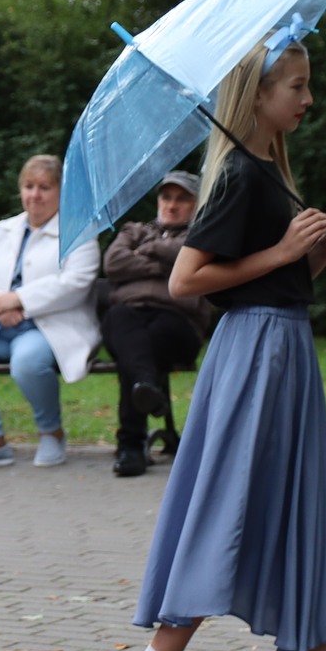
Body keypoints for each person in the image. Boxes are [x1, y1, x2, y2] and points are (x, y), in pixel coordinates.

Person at [119, 33, 326, 651]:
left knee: (298, 507)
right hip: (254, 355)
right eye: (296, 86)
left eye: (306, 84)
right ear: (258, 94)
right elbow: (187, 280)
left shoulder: (270, 172)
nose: (309, 99)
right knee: (230, 507)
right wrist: (283, 250)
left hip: (283, 347)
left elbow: (283, 279)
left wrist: (322, 250)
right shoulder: (240, 176)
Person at [0, 155, 98, 469]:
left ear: (61, 192)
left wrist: (17, 299)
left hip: (47, 326)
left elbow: (76, 282)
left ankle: (51, 432)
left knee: (27, 363)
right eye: (28, 186)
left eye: (44, 187)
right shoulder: (5, 228)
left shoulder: (79, 230)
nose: (34, 194)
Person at [100, 171, 209, 478]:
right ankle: (146, 388)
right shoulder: (135, 229)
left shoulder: (202, 236)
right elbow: (114, 262)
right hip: (128, 317)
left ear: (196, 204)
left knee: (140, 348)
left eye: (182, 199)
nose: (172, 205)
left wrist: (147, 250)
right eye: (167, 197)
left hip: (177, 323)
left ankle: (130, 447)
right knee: (123, 323)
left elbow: (184, 255)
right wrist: (167, 266)